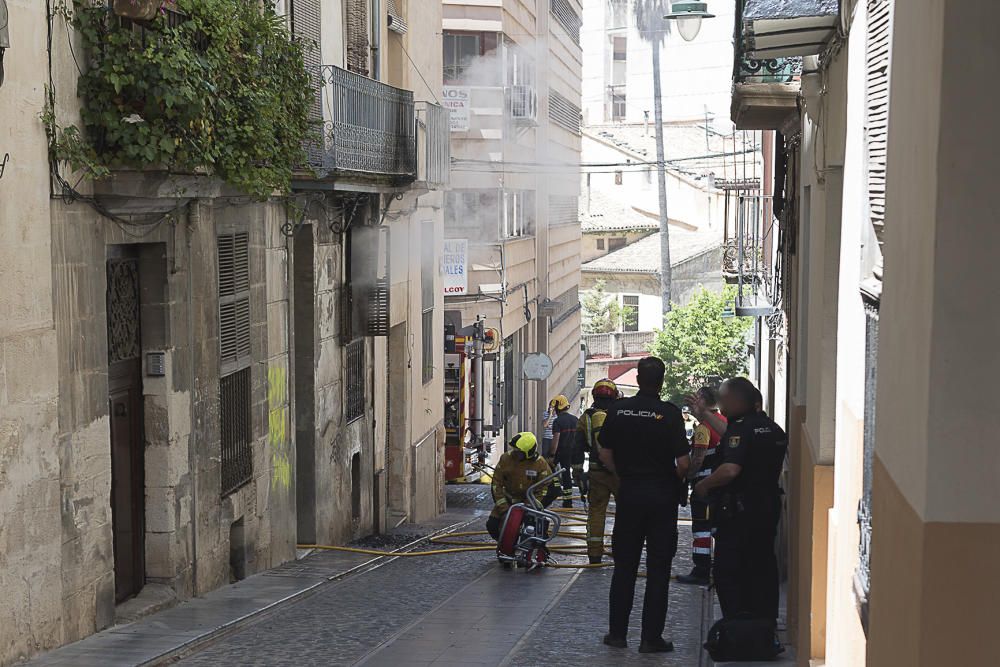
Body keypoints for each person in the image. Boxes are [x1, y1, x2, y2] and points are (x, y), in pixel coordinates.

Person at [599, 357, 690, 653]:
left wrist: (621, 477)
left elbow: (605, 453)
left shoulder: (617, 410)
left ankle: (617, 634)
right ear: (661, 381)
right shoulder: (670, 414)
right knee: (659, 570)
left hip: (630, 495)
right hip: (662, 499)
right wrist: (671, 479)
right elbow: (683, 462)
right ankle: (650, 639)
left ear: (638, 379)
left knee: (624, 567)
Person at [691, 377, 787, 623]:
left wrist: (704, 484)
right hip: (767, 506)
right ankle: (765, 626)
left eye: (723, 401)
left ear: (735, 401)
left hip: (740, 512)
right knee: (764, 567)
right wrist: (704, 415)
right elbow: (733, 435)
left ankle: (737, 628)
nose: (721, 407)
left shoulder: (741, 430)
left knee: (729, 571)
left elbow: (730, 469)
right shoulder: (771, 428)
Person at [677, 386, 728, 586]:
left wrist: (686, 477)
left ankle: (701, 569)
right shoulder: (724, 422)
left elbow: (697, 459)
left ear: (703, 403)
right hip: (720, 484)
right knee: (717, 527)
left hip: (703, 486)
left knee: (701, 530)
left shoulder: (704, 429)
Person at [486, 432, 562, 540]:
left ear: (528, 452)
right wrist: (504, 510)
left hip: (529, 503)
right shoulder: (506, 459)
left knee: (530, 529)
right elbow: (496, 485)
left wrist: (531, 507)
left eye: (519, 452)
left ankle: (529, 548)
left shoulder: (541, 465)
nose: (515, 453)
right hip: (508, 501)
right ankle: (507, 547)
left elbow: (546, 489)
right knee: (492, 526)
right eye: (515, 449)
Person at [577, 378, 620, 564]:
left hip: (596, 472)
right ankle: (620, 549)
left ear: (594, 396)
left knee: (596, 512)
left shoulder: (585, 418)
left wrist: (577, 473)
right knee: (624, 512)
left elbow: (577, 448)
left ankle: (594, 554)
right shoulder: (621, 414)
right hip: (619, 472)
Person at [548, 394, 579, 508]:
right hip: (574, 451)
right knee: (568, 475)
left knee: (549, 468)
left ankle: (556, 490)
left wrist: (551, 455)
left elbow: (556, 440)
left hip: (562, 451)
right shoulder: (575, 419)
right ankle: (568, 500)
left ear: (558, 407)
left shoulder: (558, 421)